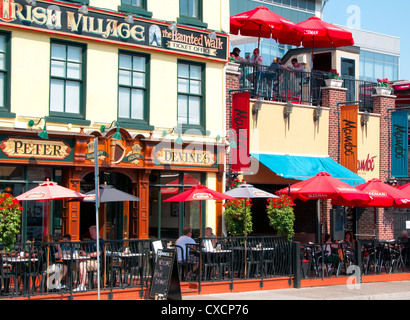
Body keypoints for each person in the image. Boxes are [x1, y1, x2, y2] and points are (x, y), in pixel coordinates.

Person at [74, 225, 104, 292]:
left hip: (97, 261)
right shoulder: (90, 241)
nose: (90, 234)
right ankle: (81, 284)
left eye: (91, 232)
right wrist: (83, 253)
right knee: (80, 263)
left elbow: (98, 253)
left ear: (95, 232)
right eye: (90, 232)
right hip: (89, 260)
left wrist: (87, 254)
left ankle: (82, 285)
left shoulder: (101, 241)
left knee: (82, 265)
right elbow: (87, 252)